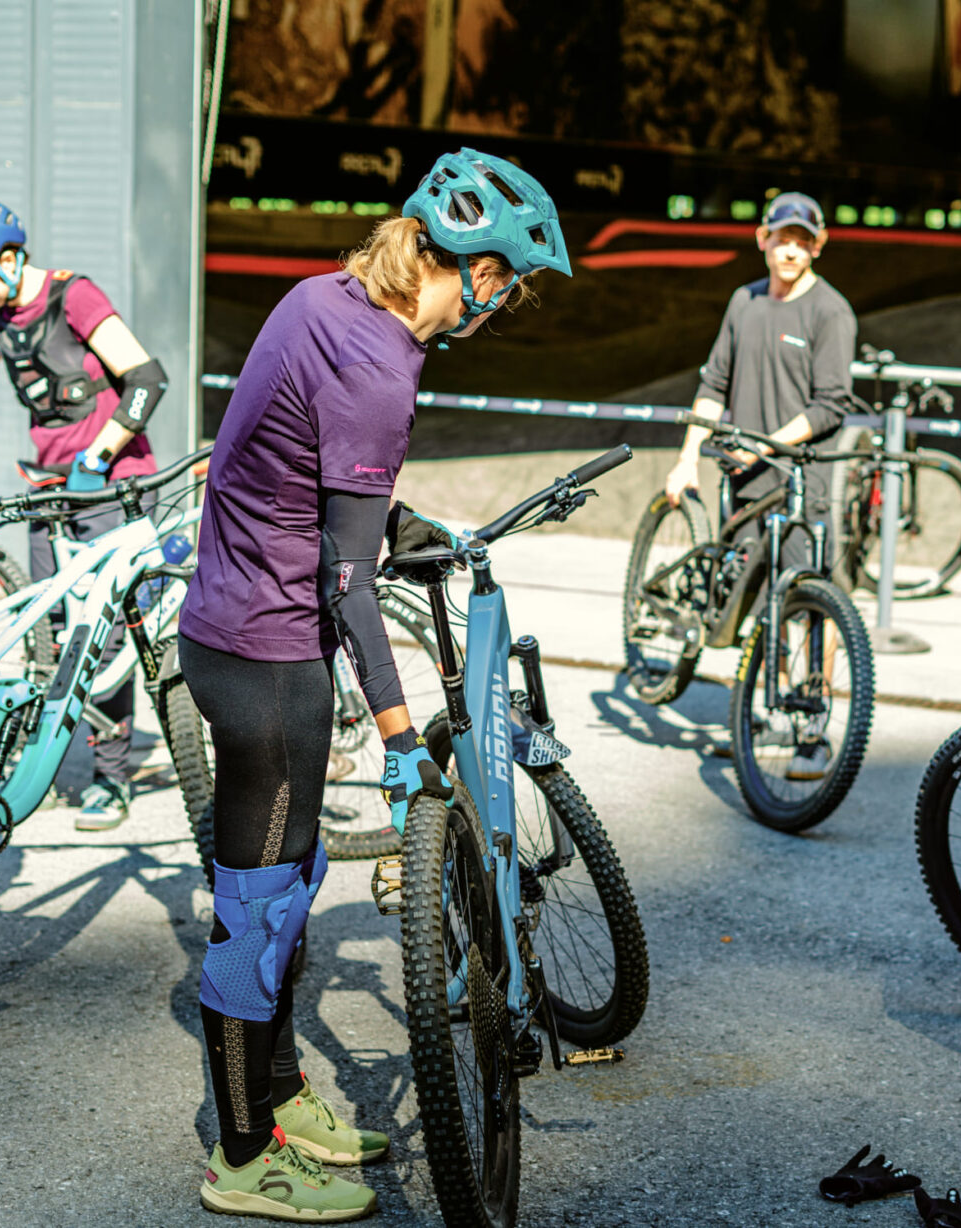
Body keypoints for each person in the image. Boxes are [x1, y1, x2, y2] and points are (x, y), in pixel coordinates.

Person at [174, 148, 570, 1222]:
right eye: (509, 288)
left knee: (289, 891)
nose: (502, 307)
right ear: (479, 276)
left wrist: (408, 526)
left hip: (238, 630)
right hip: (267, 658)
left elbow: (286, 472)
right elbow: (352, 590)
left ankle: (284, 1096)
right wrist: (401, 736)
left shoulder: (324, 300)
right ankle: (244, 1157)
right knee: (256, 913)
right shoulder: (386, 364)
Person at [0, 198, 168, 831]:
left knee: (107, 631)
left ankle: (112, 776)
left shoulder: (76, 297)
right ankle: (51, 752)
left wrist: (97, 456)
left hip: (110, 482)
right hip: (49, 487)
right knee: (53, 624)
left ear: (12, 258)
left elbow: (148, 378)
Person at [660, 190, 858, 779]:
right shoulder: (743, 303)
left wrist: (767, 444)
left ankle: (810, 727)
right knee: (757, 603)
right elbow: (713, 385)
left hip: (802, 484)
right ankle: (759, 721)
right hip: (742, 483)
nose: (791, 249)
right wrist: (686, 459)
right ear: (763, 240)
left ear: (818, 246)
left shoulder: (831, 312)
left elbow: (832, 407)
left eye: (803, 239)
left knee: (810, 606)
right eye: (782, 237)